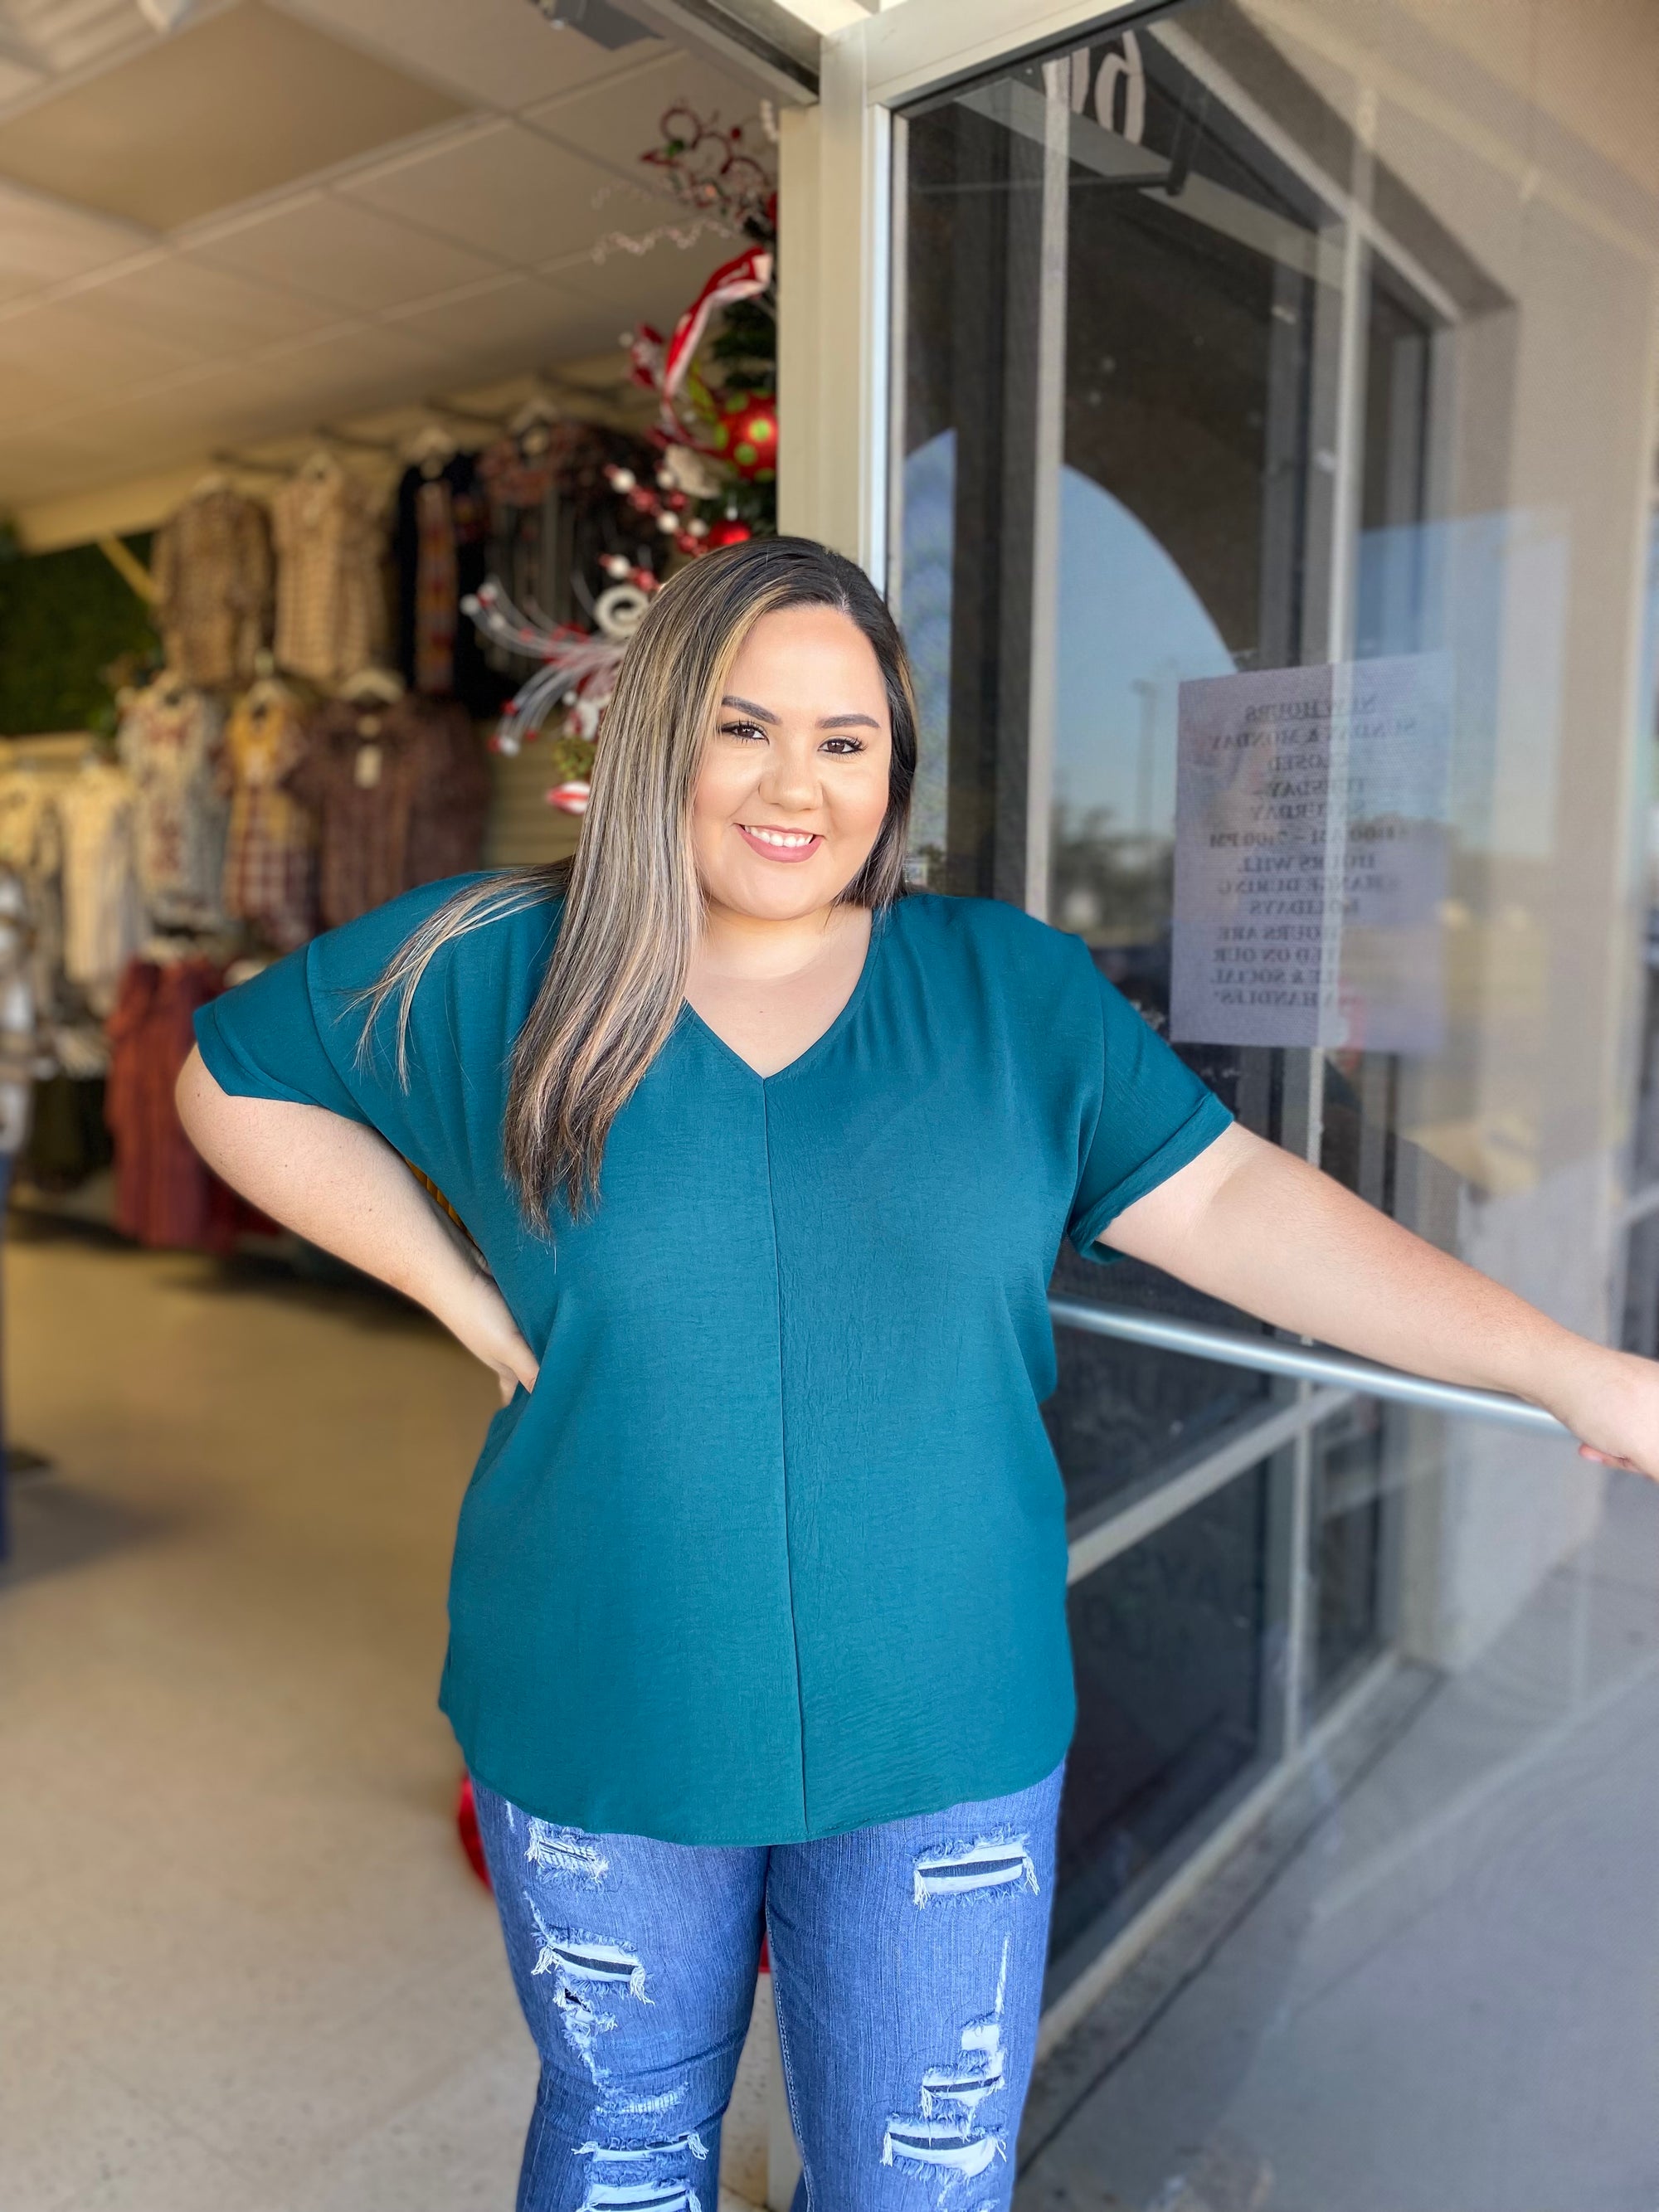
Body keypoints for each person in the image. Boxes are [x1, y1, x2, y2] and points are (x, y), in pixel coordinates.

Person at [178, 536, 1659, 2212]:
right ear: (660, 732)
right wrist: (449, 1282)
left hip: (941, 1719)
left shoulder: (1002, 989)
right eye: (741, 727)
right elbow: (235, 1077)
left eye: (844, 738)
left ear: (894, 768)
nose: (791, 785)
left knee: (919, 2182)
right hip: (604, 1689)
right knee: (621, 2150)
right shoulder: (503, 966)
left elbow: (1242, 1199)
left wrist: (1567, 1367)